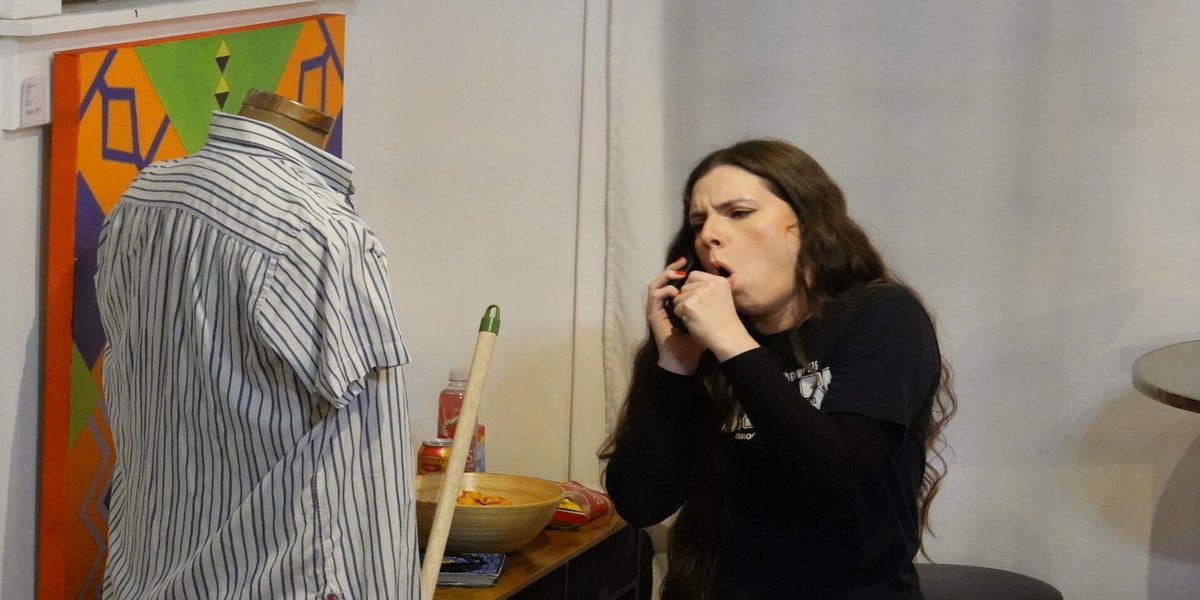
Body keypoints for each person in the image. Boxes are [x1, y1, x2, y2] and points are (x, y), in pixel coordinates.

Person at [95, 90, 421, 599]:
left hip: (145, 572)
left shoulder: (144, 198)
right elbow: (371, 457)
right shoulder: (322, 234)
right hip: (279, 578)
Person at [600, 139, 956, 599]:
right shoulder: (705, 344)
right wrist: (675, 364)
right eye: (698, 222)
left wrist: (731, 342)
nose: (710, 235)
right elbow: (640, 502)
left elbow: (831, 467)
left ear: (807, 223)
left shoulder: (883, 315)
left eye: (739, 212)